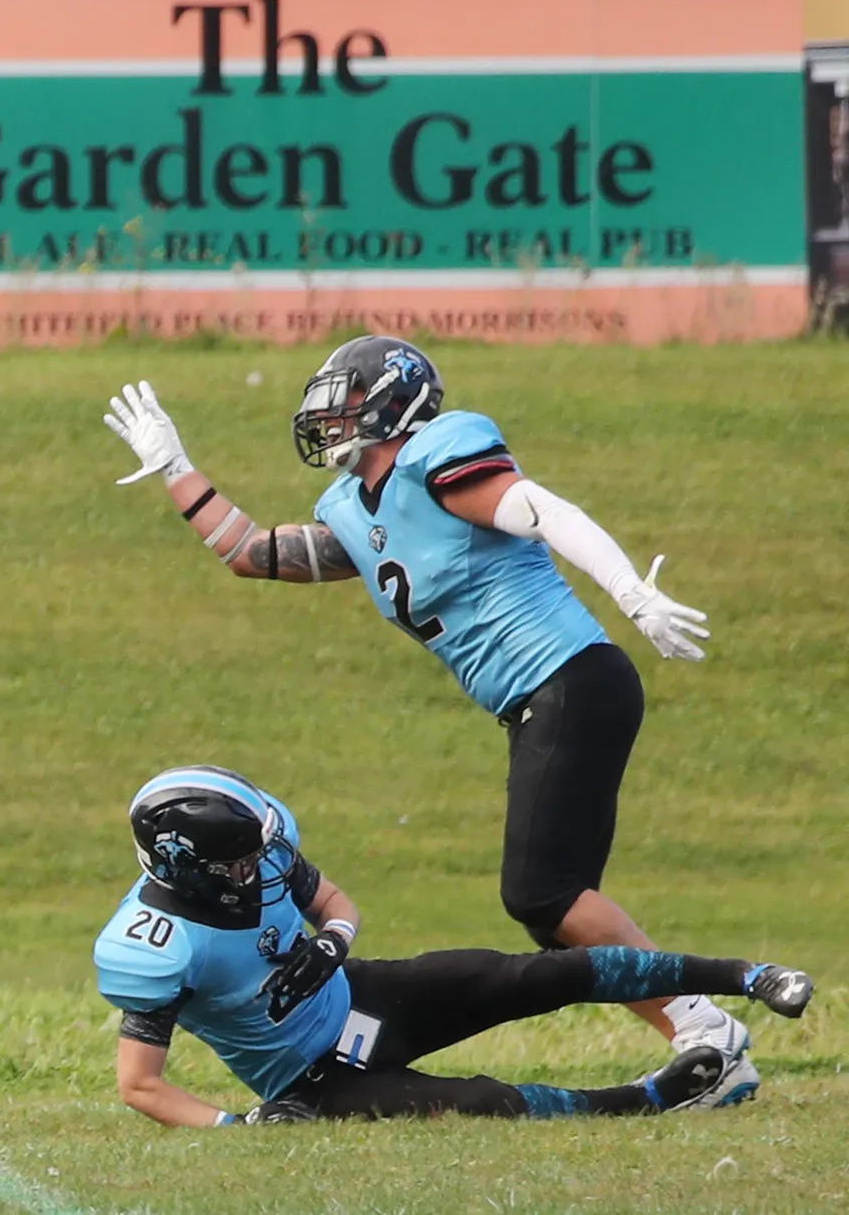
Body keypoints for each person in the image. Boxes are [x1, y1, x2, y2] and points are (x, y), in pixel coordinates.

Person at [99, 337, 754, 1106]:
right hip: (537, 699)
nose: (328, 414)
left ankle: (706, 1029)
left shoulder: (438, 459)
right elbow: (251, 551)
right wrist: (175, 464)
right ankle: (702, 1031)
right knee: (550, 906)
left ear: (392, 400)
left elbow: (545, 511)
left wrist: (630, 590)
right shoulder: (353, 508)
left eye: (345, 397)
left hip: (572, 677)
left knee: (544, 895)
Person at [96, 766, 812, 1125]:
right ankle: (653, 1099)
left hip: (359, 995)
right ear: (187, 867)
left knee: (525, 977)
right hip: (313, 1079)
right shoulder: (153, 945)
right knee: (485, 1102)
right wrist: (238, 1124)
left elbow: (335, 905)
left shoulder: (260, 858)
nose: (260, 866)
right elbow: (139, 1084)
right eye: (239, 861)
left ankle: (749, 976)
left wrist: (333, 943)